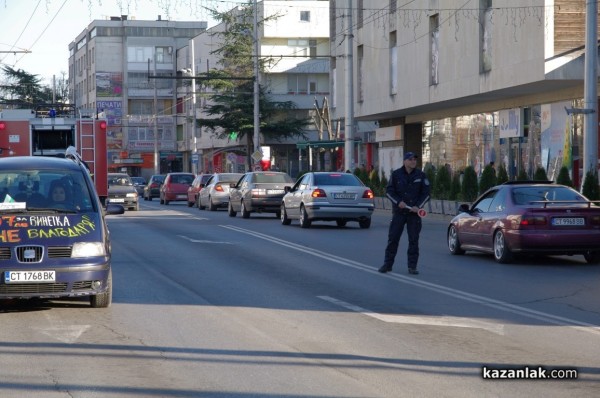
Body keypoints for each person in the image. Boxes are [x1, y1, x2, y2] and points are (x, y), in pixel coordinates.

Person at [378, 152, 430, 275]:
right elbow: (389, 192)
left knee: (413, 240)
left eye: (414, 159)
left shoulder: (421, 175)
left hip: (414, 214)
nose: (413, 161)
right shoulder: (396, 175)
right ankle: (387, 264)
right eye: (410, 159)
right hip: (399, 212)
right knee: (393, 239)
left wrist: (418, 206)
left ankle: (412, 266)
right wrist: (398, 202)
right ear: (405, 161)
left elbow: (426, 193)